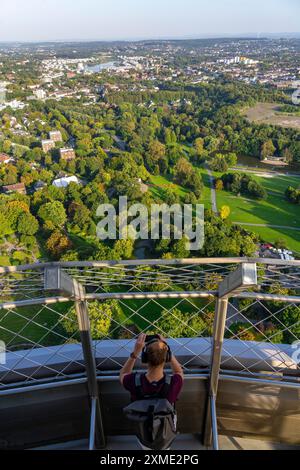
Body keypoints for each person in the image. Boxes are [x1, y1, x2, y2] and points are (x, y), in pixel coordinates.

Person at [120, 333, 184, 450]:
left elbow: (123, 374)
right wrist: (167, 349)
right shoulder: (174, 383)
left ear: (144, 358)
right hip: (165, 434)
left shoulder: (134, 381)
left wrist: (135, 354)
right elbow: (179, 372)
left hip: (143, 432)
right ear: (167, 357)